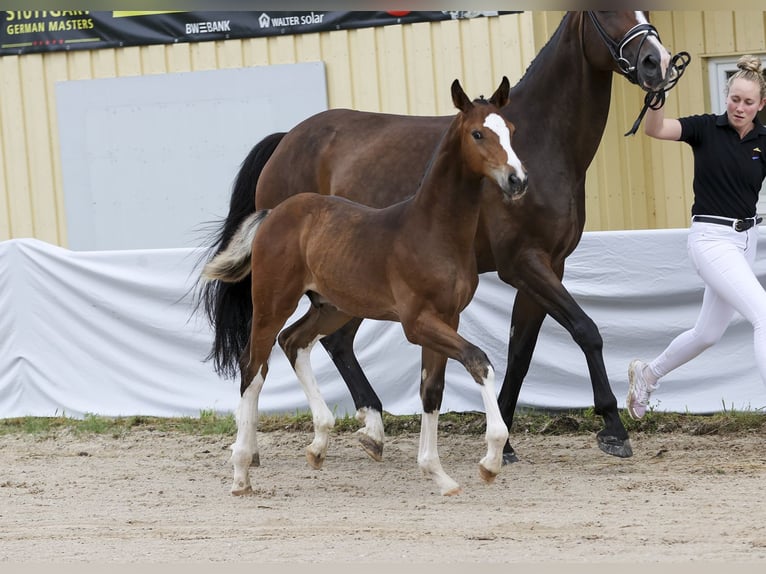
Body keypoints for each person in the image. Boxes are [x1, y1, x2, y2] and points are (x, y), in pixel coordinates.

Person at [627, 54, 766, 419]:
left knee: (707, 334)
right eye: (734, 99)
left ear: (761, 105)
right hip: (710, 239)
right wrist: (658, 91)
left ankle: (648, 374)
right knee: (764, 315)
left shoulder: (763, 141)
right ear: (727, 96)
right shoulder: (705, 128)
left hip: (747, 240)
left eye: (748, 102)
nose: (739, 107)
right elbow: (655, 129)